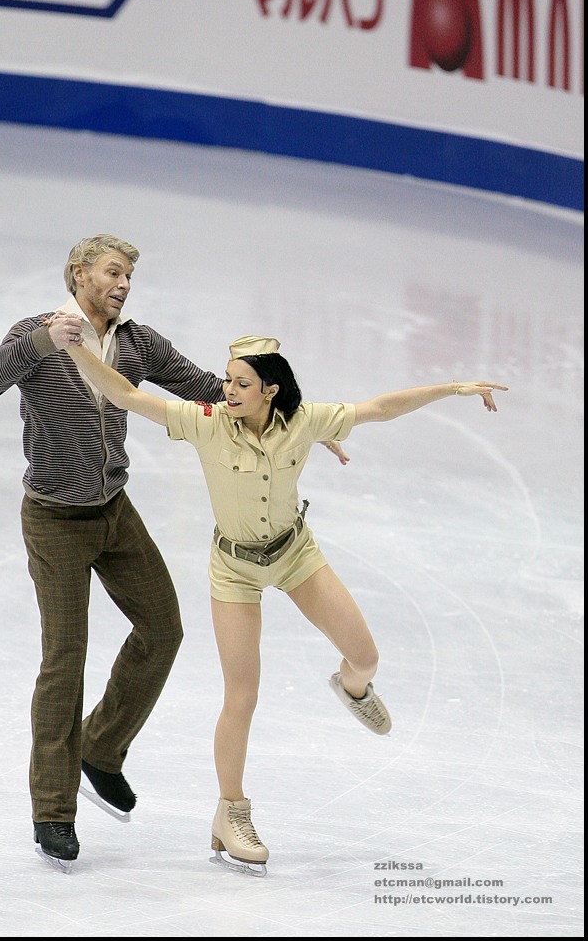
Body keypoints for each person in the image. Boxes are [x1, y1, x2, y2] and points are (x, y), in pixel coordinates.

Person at [55, 326, 508, 875]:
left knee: (365, 656)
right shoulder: (206, 424)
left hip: (295, 556)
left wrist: (455, 387)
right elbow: (128, 394)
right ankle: (231, 813)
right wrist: (77, 348)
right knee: (241, 696)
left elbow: (381, 408)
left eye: (241, 383)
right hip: (235, 571)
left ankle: (352, 686)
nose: (227, 390)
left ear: (270, 390)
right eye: (226, 380)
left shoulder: (303, 422)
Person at [0, 235, 347, 872]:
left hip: (115, 513)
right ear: (78, 275)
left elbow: (208, 389)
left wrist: (289, 419)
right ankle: (52, 810)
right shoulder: (37, 334)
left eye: (128, 276)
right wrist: (41, 337)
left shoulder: (137, 342)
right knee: (65, 660)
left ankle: (100, 747)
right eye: (112, 273)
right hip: (54, 520)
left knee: (163, 628)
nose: (122, 285)